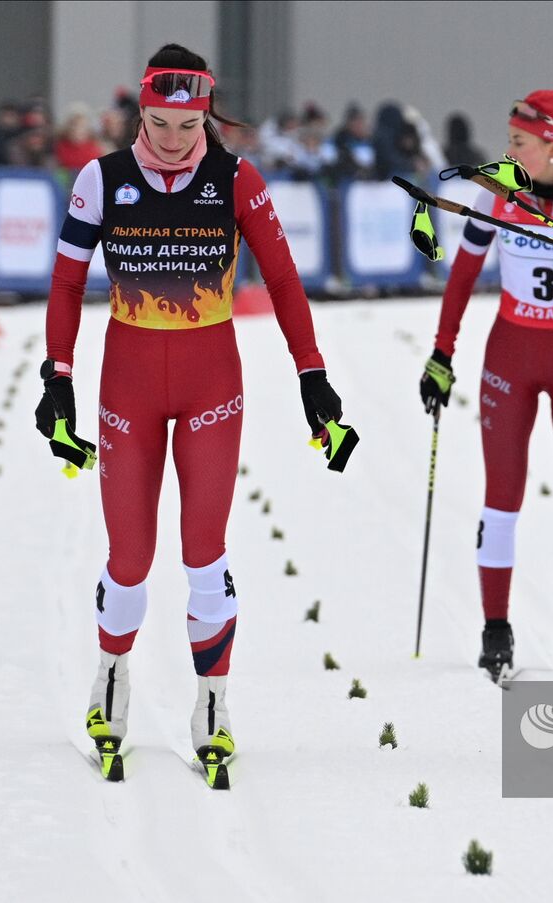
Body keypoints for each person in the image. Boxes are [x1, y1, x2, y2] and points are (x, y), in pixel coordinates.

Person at [35, 43, 347, 779]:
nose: (174, 140)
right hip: (127, 388)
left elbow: (283, 278)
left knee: (205, 553)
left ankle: (213, 700)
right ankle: (110, 685)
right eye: (159, 123)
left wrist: (314, 377)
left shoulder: (236, 178)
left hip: (212, 385)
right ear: (138, 113)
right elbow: (63, 282)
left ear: (207, 114)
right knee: (131, 559)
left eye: (188, 124)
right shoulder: (101, 179)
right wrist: (58, 380)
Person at [418, 90, 553, 684]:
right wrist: (441, 353)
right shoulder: (499, 194)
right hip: (509, 358)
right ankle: (496, 627)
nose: (506, 150)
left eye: (518, 142)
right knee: (502, 496)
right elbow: (462, 277)